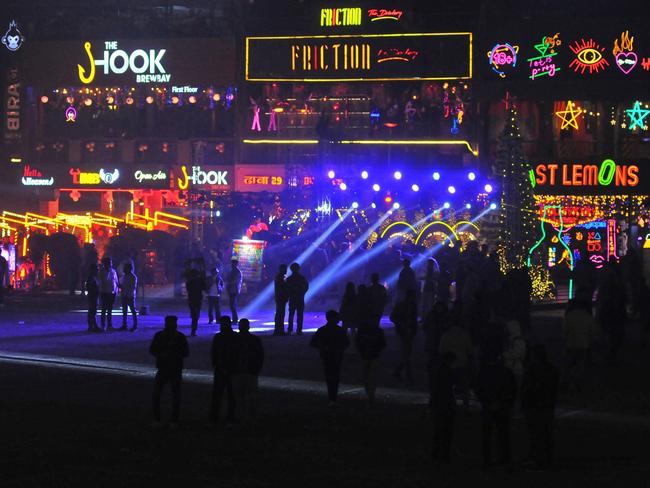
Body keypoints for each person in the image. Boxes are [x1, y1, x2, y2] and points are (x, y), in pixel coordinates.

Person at [476, 343, 517, 470]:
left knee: (487, 435)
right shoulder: (506, 372)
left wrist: (486, 402)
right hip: (503, 406)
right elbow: (512, 389)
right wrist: (506, 402)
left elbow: (478, 389)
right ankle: (505, 458)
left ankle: (487, 459)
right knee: (503, 434)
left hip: (489, 406)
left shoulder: (484, 372)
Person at [521, 345, 559, 471]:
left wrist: (525, 403)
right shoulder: (552, 370)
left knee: (535, 434)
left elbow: (526, 389)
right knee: (547, 433)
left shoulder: (531, 371)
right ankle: (547, 459)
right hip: (547, 406)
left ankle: (536, 458)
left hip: (534, 406)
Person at [149, 315, 189, 427]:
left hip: (163, 367)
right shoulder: (180, 337)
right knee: (175, 394)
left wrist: (161, 354)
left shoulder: (159, 336)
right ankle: (174, 419)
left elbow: (152, 350)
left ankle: (158, 419)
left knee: (157, 394)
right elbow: (186, 353)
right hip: (175, 368)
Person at [310, 310, 350, 406]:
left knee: (329, 375)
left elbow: (313, 343)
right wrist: (340, 349)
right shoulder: (339, 330)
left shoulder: (322, 330)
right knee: (335, 375)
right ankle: (333, 397)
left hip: (326, 355)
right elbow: (347, 343)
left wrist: (323, 347)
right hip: (336, 356)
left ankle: (332, 398)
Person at [210, 315, 241, 424]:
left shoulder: (218, 337)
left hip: (222, 369)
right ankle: (230, 418)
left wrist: (216, 365)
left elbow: (214, 353)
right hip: (230, 369)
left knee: (218, 394)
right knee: (231, 395)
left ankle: (215, 417)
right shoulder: (234, 336)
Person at [563, 294, 594, 393]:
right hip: (584, 344)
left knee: (569, 365)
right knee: (580, 366)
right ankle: (577, 384)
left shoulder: (569, 316)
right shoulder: (587, 316)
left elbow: (564, 330)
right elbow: (592, 331)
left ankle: (567, 383)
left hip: (571, 343)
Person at [236, 318, 264, 424]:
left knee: (239, 395)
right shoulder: (255, 339)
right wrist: (257, 368)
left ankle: (241, 416)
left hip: (239, 370)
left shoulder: (235, 339)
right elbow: (260, 356)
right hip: (250, 370)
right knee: (251, 395)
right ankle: (251, 417)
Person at [355, 313, 386, 406]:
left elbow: (357, 342)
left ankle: (370, 393)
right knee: (370, 375)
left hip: (368, 355)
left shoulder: (364, 330)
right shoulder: (378, 331)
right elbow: (383, 344)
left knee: (367, 375)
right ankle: (371, 394)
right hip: (372, 355)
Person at [432, 351, 457, 464]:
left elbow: (435, 389)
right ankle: (444, 454)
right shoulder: (450, 372)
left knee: (438, 429)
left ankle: (436, 453)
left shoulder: (438, 371)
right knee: (447, 430)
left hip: (439, 402)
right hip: (447, 402)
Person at [390, 289, 418, 384]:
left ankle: (399, 372)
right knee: (407, 354)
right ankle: (407, 375)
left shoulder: (411, 306)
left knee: (406, 353)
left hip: (408, 331)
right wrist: (401, 324)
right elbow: (393, 317)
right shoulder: (405, 305)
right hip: (404, 332)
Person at [286, 262, 309, 335]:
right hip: (300, 298)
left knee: (291, 314)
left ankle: (290, 329)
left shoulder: (289, 279)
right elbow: (306, 287)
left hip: (292, 298)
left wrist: (289, 294)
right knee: (299, 315)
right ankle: (299, 330)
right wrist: (302, 293)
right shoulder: (302, 278)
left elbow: (286, 289)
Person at [99, 257, 118, 331]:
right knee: (104, 309)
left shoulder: (113, 271)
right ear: (105, 263)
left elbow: (116, 281)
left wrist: (116, 291)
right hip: (104, 292)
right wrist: (100, 291)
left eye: (110, 262)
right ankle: (103, 325)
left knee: (109, 310)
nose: (110, 264)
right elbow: (100, 282)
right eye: (108, 262)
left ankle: (109, 325)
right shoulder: (101, 271)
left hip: (112, 293)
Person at [185, 267, 206, 336]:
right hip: (198, 299)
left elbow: (188, 289)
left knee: (194, 314)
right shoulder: (199, 280)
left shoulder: (189, 281)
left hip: (192, 299)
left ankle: (193, 329)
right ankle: (194, 329)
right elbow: (204, 288)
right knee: (196, 315)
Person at [120, 262, 138, 331]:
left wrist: (124, 288)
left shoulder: (133, 277)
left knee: (132, 310)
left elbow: (132, 287)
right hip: (125, 295)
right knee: (125, 311)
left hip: (130, 296)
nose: (124, 269)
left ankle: (135, 325)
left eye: (125, 268)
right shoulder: (125, 276)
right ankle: (125, 325)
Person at [226, 259, 243, 324]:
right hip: (232, 289)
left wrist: (229, 283)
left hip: (234, 290)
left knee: (233, 305)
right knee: (232, 305)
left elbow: (235, 281)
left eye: (232, 263)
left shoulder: (237, 272)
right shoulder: (232, 271)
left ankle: (235, 319)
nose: (231, 265)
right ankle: (234, 319)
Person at [274, 264, 288, 336]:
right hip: (281, 297)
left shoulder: (280, 277)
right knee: (280, 314)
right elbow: (283, 288)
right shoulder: (280, 277)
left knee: (280, 314)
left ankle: (278, 330)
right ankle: (279, 330)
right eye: (285, 269)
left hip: (280, 297)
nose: (286, 270)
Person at [85, 264, 100, 332]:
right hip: (93, 296)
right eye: (96, 269)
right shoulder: (91, 278)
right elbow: (89, 287)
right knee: (92, 311)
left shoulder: (93, 277)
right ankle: (92, 326)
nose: (97, 271)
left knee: (93, 311)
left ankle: (92, 325)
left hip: (94, 296)